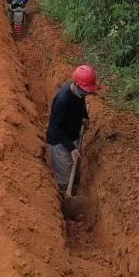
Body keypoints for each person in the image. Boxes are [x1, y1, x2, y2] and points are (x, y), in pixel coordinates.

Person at [46, 65, 100, 194]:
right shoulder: (62, 100)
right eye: (86, 91)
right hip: (59, 142)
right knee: (65, 176)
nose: (87, 93)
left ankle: (75, 191)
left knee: (75, 172)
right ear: (77, 84)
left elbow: (81, 104)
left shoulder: (79, 92)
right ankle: (65, 197)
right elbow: (56, 128)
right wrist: (71, 148)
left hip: (72, 136)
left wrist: (84, 117)